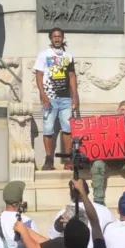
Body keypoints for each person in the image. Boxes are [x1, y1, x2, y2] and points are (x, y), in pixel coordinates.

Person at [34, 27, 79, 171]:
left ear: (63, 38)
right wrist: (43, 95)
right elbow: (39, 75)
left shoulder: (68, 56)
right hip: (50, 98)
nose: (57, 39)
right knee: (48, 129)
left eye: (59, 36)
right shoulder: (44, 55)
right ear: (51, 39)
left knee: (67, 128)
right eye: (54, 36)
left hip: (65, 99)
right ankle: (48, 159)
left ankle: (68, 158)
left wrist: (75, 97)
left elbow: (72, 76)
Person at [48, 179, 113, 248]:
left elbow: (53, 239)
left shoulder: (62, 213)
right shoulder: (104, 210)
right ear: (88, 191)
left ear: (70, 193)